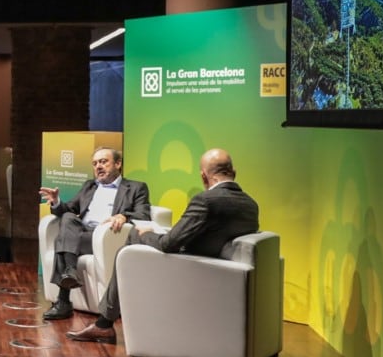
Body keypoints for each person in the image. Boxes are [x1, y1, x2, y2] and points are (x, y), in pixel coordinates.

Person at [68, 148, 260, 344]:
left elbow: (169, 245)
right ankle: (108, 320)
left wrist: (149, 234)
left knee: (134, 236)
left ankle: (104, 323)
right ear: (233, 172)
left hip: (187, 267)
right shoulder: (251, 205)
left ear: (204, 176)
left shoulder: (206, 201)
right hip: (216, 268)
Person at [38, 147, 152, 321]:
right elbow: (68, 210)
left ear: (118, 164)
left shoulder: (136, 187)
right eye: (95, 163)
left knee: (63, 240)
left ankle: (63, 301)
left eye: (103, 161)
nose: (98, 166)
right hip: (81, 234)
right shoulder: (89, 186)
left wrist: (124, 216)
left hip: (106, 237)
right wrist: (56, 202)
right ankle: (69, 272)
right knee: (68, 218)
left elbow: (144, 215)